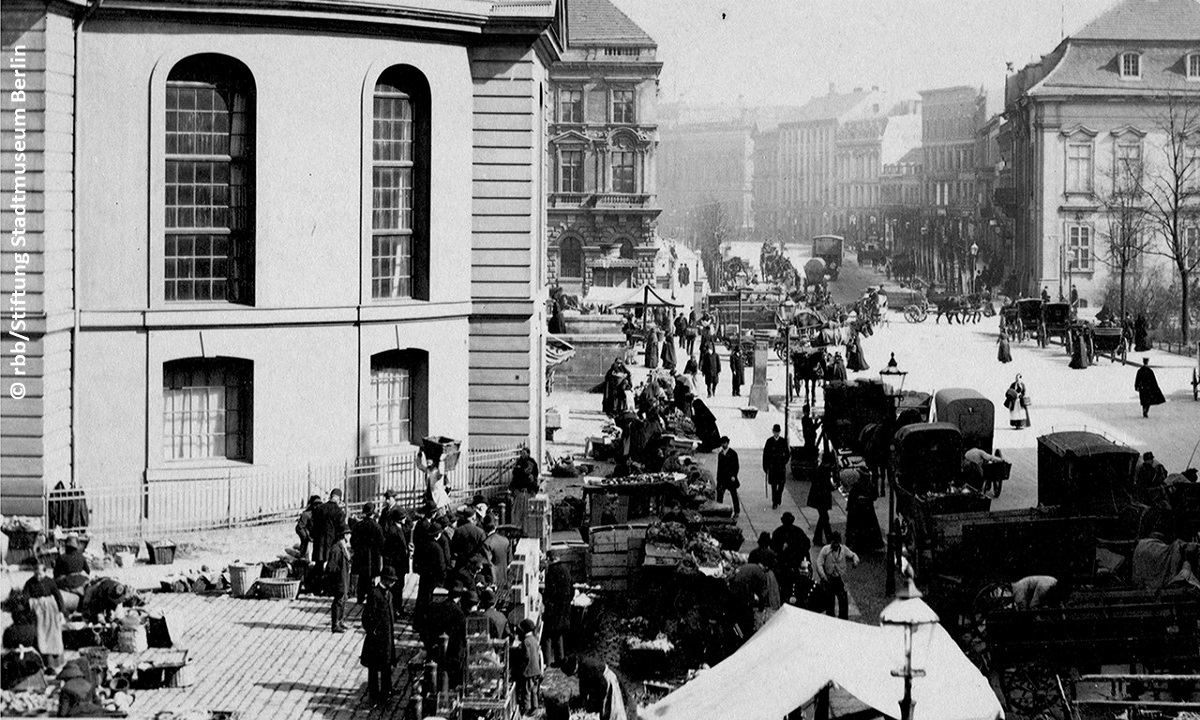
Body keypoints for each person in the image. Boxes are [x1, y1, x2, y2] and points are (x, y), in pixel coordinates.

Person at [360, 565, 398, 706]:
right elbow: (366, 617)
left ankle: (387, 691)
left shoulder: (389, 594)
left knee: (387, 665)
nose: (394, 583)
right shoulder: (374, 594)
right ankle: (374, 695)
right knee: (374, 668)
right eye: (392, 580)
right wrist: (373, 631)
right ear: (386, 580)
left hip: (387, 636)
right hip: (376, 640)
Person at [24, 561, 65, 670]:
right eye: (36, 574)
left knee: (54, 636)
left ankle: (56, 662)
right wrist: (35, 603)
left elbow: (58, 596)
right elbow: (25, 598)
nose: (38, 577)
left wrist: (61, 611)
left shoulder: (50, 582)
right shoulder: (29, 583)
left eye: (40, 574)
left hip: (51, 614)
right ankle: (44, 662)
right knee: (41, 637)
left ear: (45, 572)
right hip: (38, 616)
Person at [563, 655, 628, 720]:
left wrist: (595, 703)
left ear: (575, 668)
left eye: (574, 674)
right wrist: (583, 700)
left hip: (607, 680)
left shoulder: (588, 667)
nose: (575, 676)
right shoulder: (581, 668)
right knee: (604, 712)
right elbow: (583, 684)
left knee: (613, 711)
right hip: (599, 683)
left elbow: (603, 685)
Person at [814, 532, 859, 619]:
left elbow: (853, 555)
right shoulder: (825, 550)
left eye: (837, 542)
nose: (835, 544)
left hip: (840, 579)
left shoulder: (843, 549)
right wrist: (823, 576)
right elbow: (819, 563)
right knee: (829, 602)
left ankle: (843, 620)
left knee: (843, 601)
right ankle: (831, 620)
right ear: (831, 542)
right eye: (833, 542)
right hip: (829, 579)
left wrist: (855, 561)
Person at [542, 548, 574, 666]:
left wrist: (546, 602)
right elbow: (572, 589)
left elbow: (550, 592)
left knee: (547, 635)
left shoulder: (551, 572)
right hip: (564, 609)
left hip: (554, 609)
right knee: (558, 634)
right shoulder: (566, 570)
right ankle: (560, 659)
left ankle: (547, 662)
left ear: (550, 559)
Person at [351, 503, 385, 604]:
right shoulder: (377, 527)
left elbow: (353, 541)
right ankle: (370, 597)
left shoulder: (358, 525)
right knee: (371, 577)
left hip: (360, 556)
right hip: (373, 557)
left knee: (361, 577)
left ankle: (360, 597)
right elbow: (381, 543)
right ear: (373, 514)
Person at [312, 488, 346, 574]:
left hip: (319, 543)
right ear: (339, 499)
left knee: (318, 568)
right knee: (331, 568)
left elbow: (313, 525)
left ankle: (317, 586)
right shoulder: (339, 512)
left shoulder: (319, 508)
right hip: (331, 544)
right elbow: (341, 530)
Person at [382, 510, 410, 615]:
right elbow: (390, 549)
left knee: (400, 586)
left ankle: (398, 607)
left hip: (400, 563)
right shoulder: (393, 531)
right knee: (396, 588)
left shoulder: (400, 528)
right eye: (403, 518)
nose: (405, 519)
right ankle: (394, 609)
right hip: (396, 564)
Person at [516, 618, 544, 715]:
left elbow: (526, 656)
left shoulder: (525, 642)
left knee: (527, 691)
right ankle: (535, 707)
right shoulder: (534, 640)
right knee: (534, 691)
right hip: (536, 670)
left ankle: (526, 709)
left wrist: (522, 668)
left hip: (529, 671)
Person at [327, 524, 352, 633]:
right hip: (339, 580)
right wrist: (337, 577)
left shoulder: (343, 547)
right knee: (338, 601)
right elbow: (331, 567)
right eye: (348, 534)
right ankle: (335, 624)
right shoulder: (336, 549)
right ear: (344, 535)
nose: (350, 536)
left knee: (343, 599)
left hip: (344, 578)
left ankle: (340, 620)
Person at [807, 450, 835, 545]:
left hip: (817, 497)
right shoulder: (825, 469)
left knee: (823, 518)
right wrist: (833, 486)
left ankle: (820, 538)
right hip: (822, 498)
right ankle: (828, 537)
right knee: (824, 518)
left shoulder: (820, 468)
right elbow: (827, 484)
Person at [481, 515, 511, 603]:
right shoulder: (505, 540)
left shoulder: (487, 543)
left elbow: (488, 564)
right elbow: (509, 560)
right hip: (504, 576)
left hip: (493, 579)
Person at [763, 424, 790, 510]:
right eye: (775, 432)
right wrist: (765, 466)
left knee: (781, 484)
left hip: (780, 466)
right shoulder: (769, 441)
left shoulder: (783, 441)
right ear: (773, 431)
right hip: (772, 467)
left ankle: (779, 497)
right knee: (774, 485)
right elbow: (765, 455)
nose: (776, 434)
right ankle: (774, 502)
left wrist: (784, 462)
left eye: (777, 432)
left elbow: (787, 454)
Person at [715, 436, 741, 517]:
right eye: (722, 443)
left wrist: (734, 475)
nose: (723, 445)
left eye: (725, 443)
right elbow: (719, 467)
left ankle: (737, 511)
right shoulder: (720, 454)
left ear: (727, 443)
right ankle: (719, 510)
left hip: (730, 479)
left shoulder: (733, 453)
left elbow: (736, 466)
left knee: (734, 495)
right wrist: (718, 479)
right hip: (722, 478)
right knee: (720, 495)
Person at [296, 495, 321, 560]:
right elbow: (300, 527)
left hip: (316, 535)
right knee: (306, 548)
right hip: (308, 535)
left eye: (319, 504)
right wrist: (306, 536)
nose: (317, 506)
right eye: (315, 504)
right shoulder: (306, 514)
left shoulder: (321, 513)